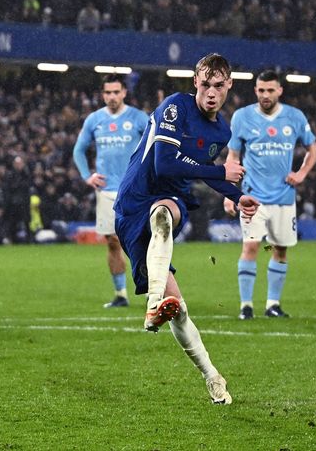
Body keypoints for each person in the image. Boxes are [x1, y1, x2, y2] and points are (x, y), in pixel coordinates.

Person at [114, 53, 259, 404]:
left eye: (219, 86)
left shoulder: (221, 130)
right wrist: (221, 174)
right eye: (205, 84)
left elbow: (199, 168)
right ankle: (161, 309)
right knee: (177, 307)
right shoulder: (175, 107)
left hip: (167, 199)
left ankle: (213, 378)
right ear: (195, 82)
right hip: (134, 201)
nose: (211, 92)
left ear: (229, 86)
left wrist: (237, 197)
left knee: (165, 214)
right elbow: (165, 164)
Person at [223, 70, 316, 319]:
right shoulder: (242, 117)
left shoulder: (294, 117)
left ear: (279, 91)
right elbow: (233, 157)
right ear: (255, 90)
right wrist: (229, 193)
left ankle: (272, 304)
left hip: (284, 197)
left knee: (281, 250)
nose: (266, 95)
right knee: (250, 246)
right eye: (261, 90)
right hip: (253, 196)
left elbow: (313, 149)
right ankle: (246, 306)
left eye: (270, 90)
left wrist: (301, 173)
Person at [73, 74, 148, 308]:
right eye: (108, 93)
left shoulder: (138, 118)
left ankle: (150, 292)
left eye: (116, 92)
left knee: (141, 242)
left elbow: (156, 146)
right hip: (106, 191)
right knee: (113, 242)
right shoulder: (95, 120)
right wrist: (88, 176)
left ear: (124, 92)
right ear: (103, 94)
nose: (112, 97)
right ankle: (121, 294)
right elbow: (79, 150)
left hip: (135, 190)